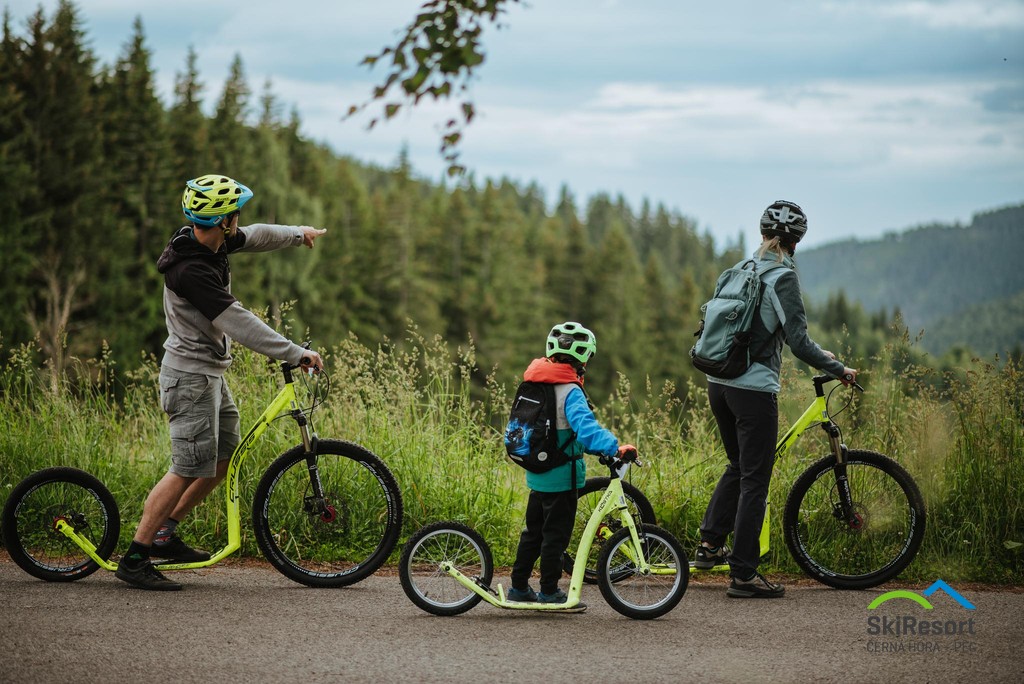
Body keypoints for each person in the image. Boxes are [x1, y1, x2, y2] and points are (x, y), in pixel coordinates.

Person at [115, 174, 327, 591]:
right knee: (185, 468)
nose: (239, 220)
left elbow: (257, 235)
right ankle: (136, 557)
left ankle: (164, 534)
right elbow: (238, 322)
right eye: (235, 214)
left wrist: (297, 233)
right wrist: (293, 353)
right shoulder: (191, 269)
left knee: (223, 458)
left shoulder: (209, 241)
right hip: (190, 377)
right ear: (223, 220)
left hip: (208, 373)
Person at [696, 200, 857, 599]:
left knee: (738, 466)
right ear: (796, 242)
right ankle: (744, 574)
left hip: (718, 381)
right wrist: (838, 368)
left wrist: (820, 355)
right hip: (752, 391)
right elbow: (798, 342)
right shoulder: (783, 277)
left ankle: (709, 545)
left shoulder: (738, 270)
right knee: (756, 478)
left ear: (763, 234)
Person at [507, 321, 635, 605]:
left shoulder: (535, 382)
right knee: (555, 537)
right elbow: (585, 431)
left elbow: (560, 433)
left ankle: (518, 586)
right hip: (562, 478)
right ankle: (549, 591)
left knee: (533, 534)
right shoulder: (570, 391)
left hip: (537, 473)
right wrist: (614, 447)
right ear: (583, 359)